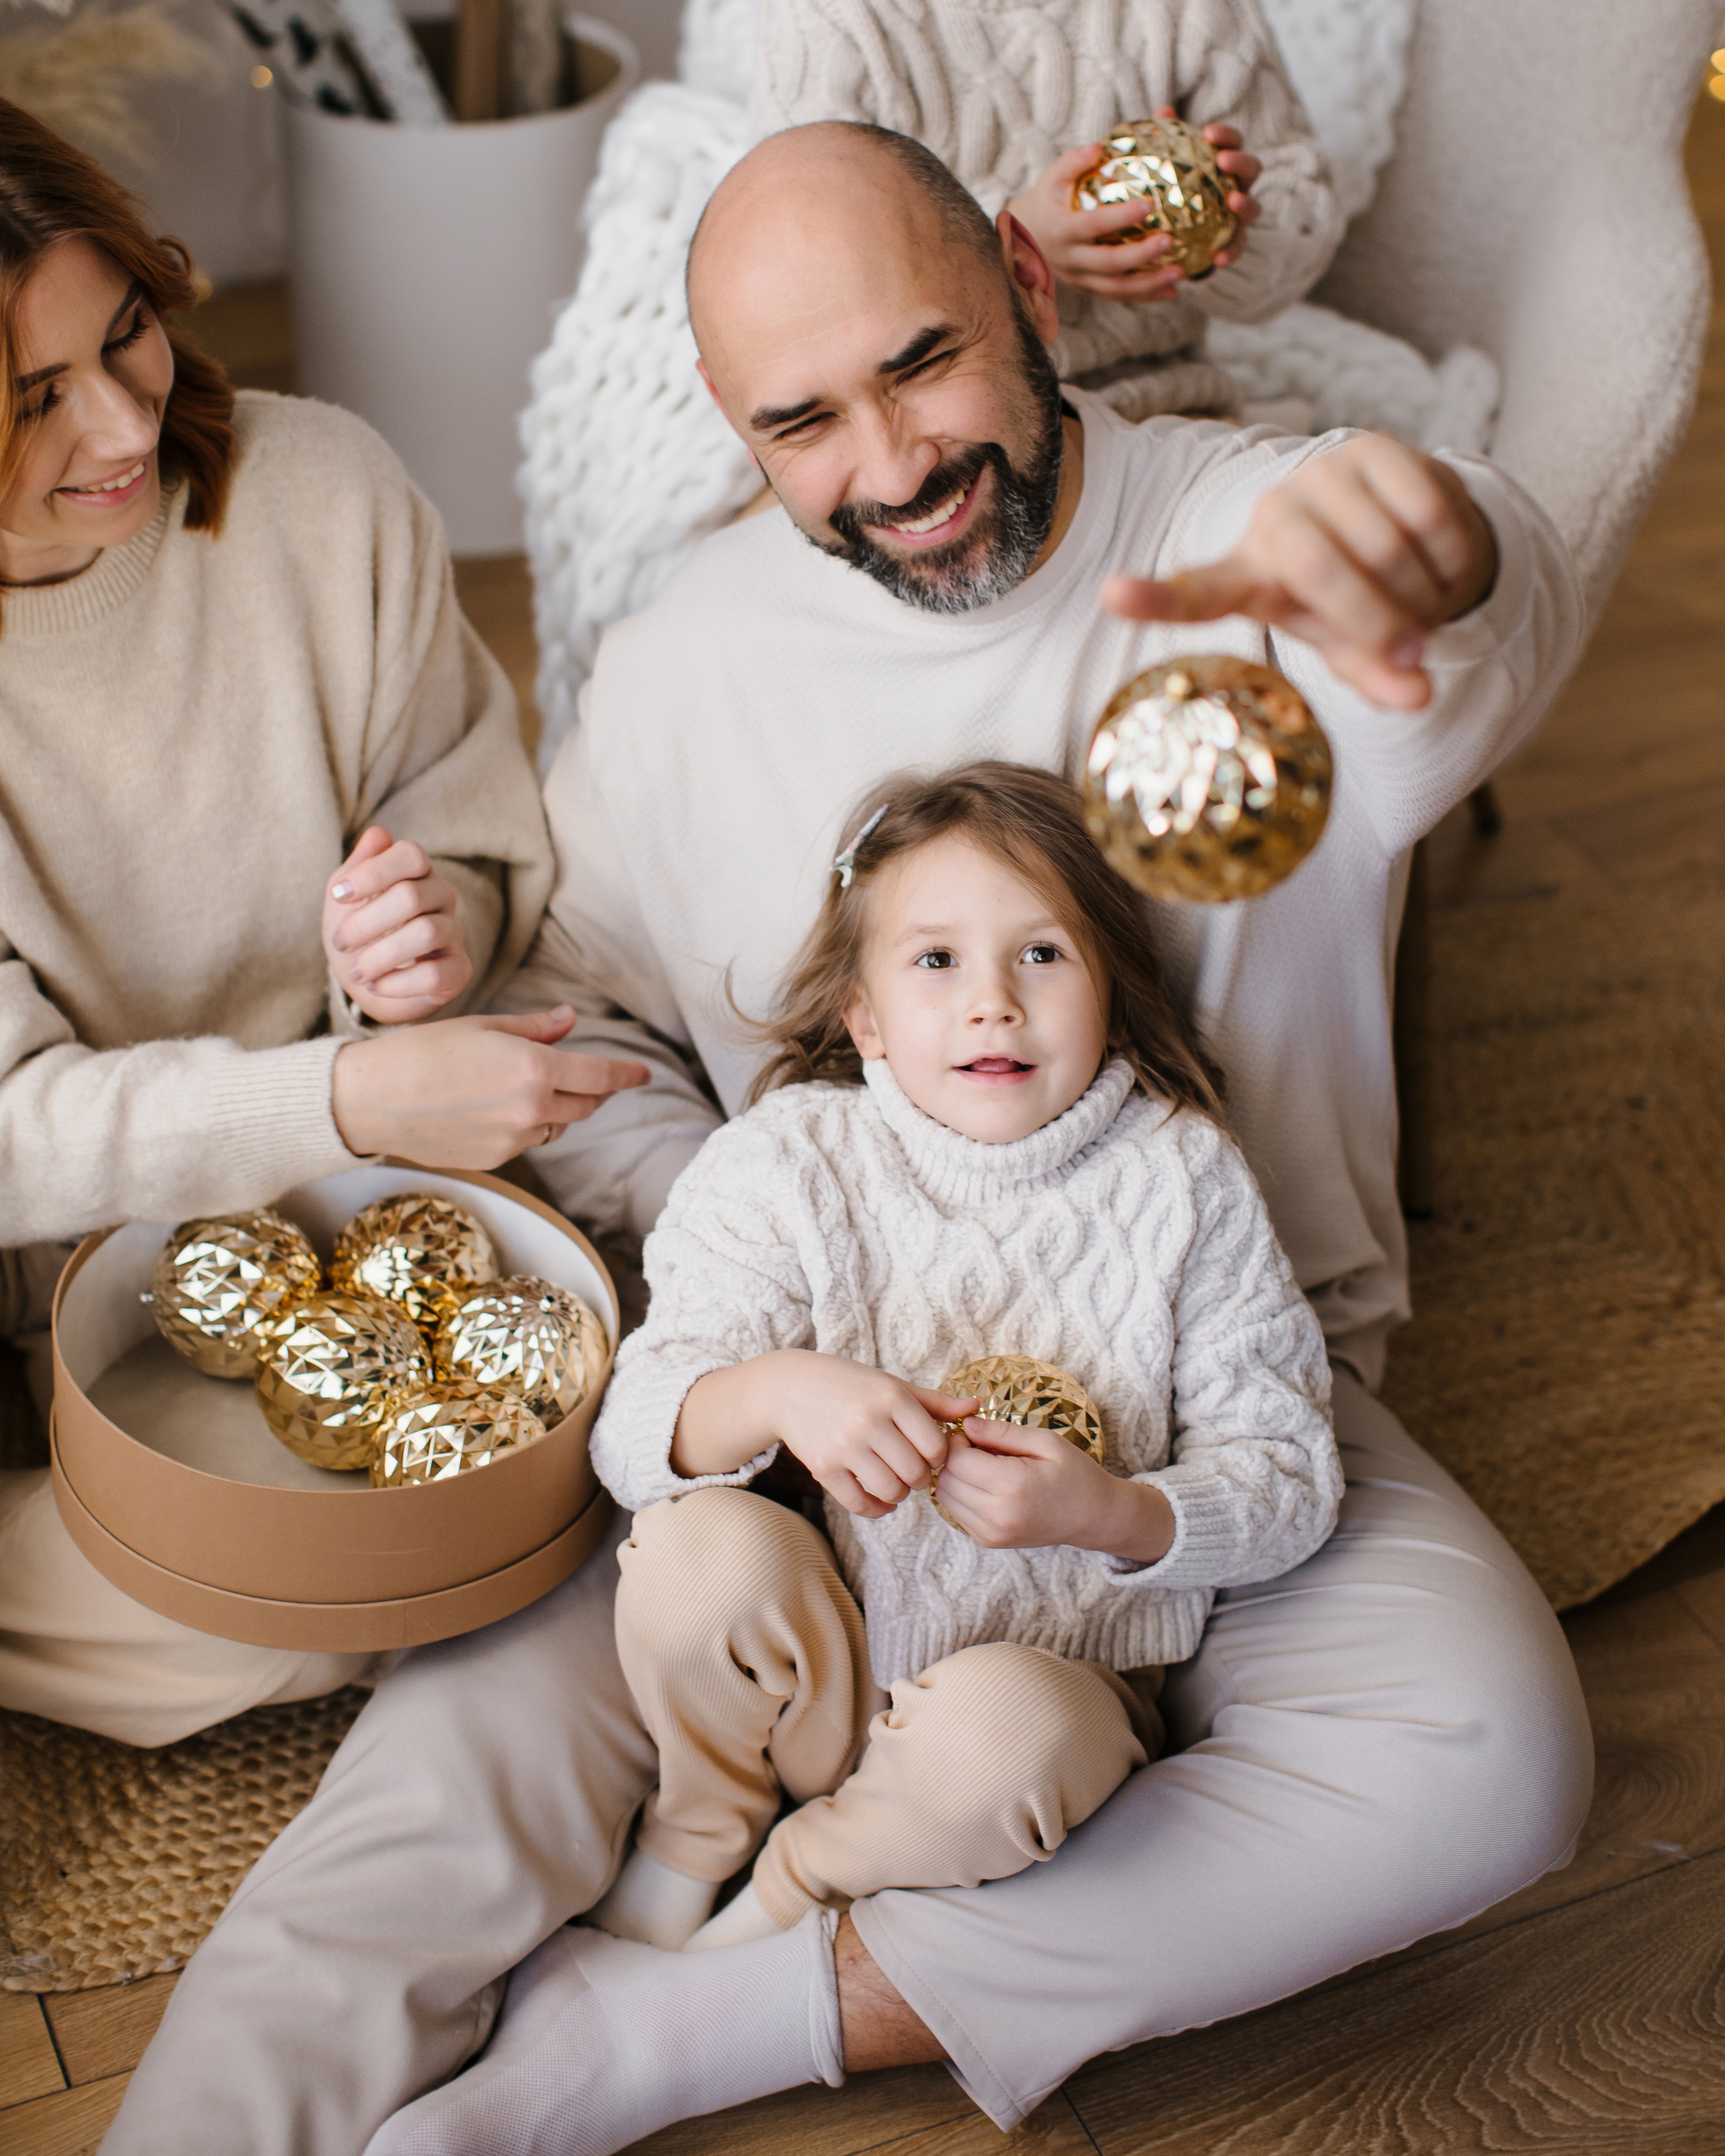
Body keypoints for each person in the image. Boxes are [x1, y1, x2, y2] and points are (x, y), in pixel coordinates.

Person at [108, 121, 1592, 2156]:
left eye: (923, 363)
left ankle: (691, 2022)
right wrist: (767, 1269)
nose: (890, 466)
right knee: (417, 1830)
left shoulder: (1241, 546)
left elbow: (1465, 606)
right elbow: (592, 1026)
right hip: (790, 1423)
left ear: (1025, 280)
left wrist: (1438, 546)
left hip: (1208, 1413)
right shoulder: (680, 671)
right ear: (732, 424)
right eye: (800, 421)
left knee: (1490, 1757)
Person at [0, 98, 646, 1749]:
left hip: (348, 1212)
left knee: (395, 1563)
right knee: (309, 1606)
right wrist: (343, 1094)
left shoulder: (318, 494)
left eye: (125, 332)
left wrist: (435, 927)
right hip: (55, 1257)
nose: (122, 422)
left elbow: (463, 799)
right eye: (33, 400)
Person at [581, 761, 1340, 1963]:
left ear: (1111, 993)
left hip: (1048, 1690)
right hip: (821, 1663)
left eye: (1042, 954)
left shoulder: (1183, 1180)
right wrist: (778, 1391)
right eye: (936, 960)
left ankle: (800, 1876)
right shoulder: (790, 1163)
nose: (993, 1003)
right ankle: (698, 1826)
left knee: (1010, 1741)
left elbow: (1290, 1478)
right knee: (690, 1556)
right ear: (864, 1015)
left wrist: (1116, 1513)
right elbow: (629, 1440)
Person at [750, 0, 1344, 420]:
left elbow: (1300, 218)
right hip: (929, 433)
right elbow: (809, 274)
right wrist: (1008, 247)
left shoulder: (1190, 12)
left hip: (1160, 405)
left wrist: (1227, 238)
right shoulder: (833, 21)